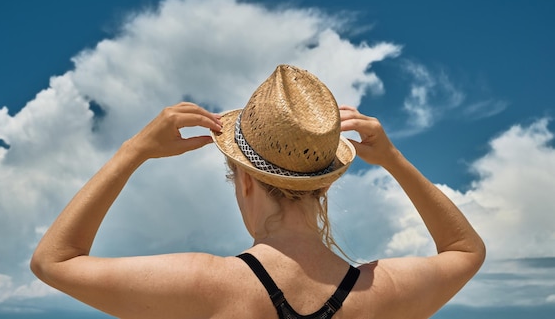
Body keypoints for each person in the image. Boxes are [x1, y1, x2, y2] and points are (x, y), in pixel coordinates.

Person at [31, 64, 485, 319]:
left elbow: (54, 261)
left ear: (244, 179)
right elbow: (465, 251)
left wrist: (132, 151)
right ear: (323, 184)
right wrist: (393, 161)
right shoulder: (380, 291)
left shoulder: (205, 285)